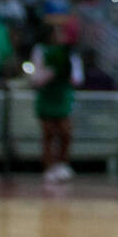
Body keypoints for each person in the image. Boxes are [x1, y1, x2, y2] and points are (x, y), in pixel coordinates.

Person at [31, 21, 84, 181]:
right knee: (48, 132)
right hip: (47, 96)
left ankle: (62, 164)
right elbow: (36, 78)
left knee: (65, 131)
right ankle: (49, 166)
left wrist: (66, 72)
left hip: (63, 97)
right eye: (55, 33)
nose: (58, 37)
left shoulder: (69, 52)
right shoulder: (40, 50)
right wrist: (52, 71)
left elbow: (77, 78)